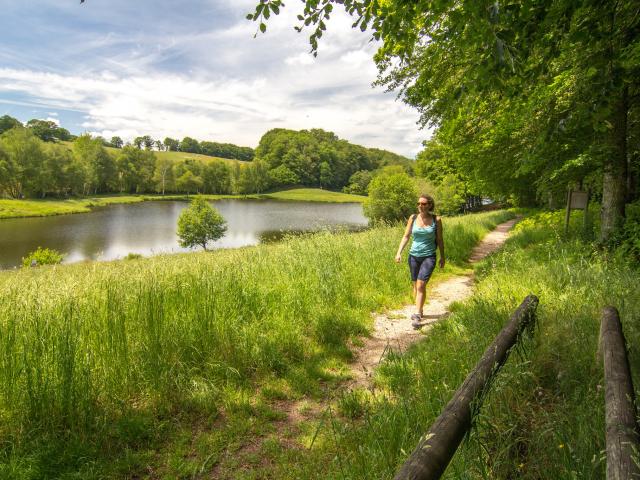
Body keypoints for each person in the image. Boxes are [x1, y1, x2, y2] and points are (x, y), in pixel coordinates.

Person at [395, 194, 445, 328]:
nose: (420, 206)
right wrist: (399, 252)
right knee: (415, 286)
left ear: (429, 205)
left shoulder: (436, 220)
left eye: (423, 204)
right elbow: (406, 236)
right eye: (419, 204)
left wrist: (442, 256)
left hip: (429, 256)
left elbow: (440, 239)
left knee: (421, 285)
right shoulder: (413, 218)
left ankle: (417, 314)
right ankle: (420, 308)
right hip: (413, 256)